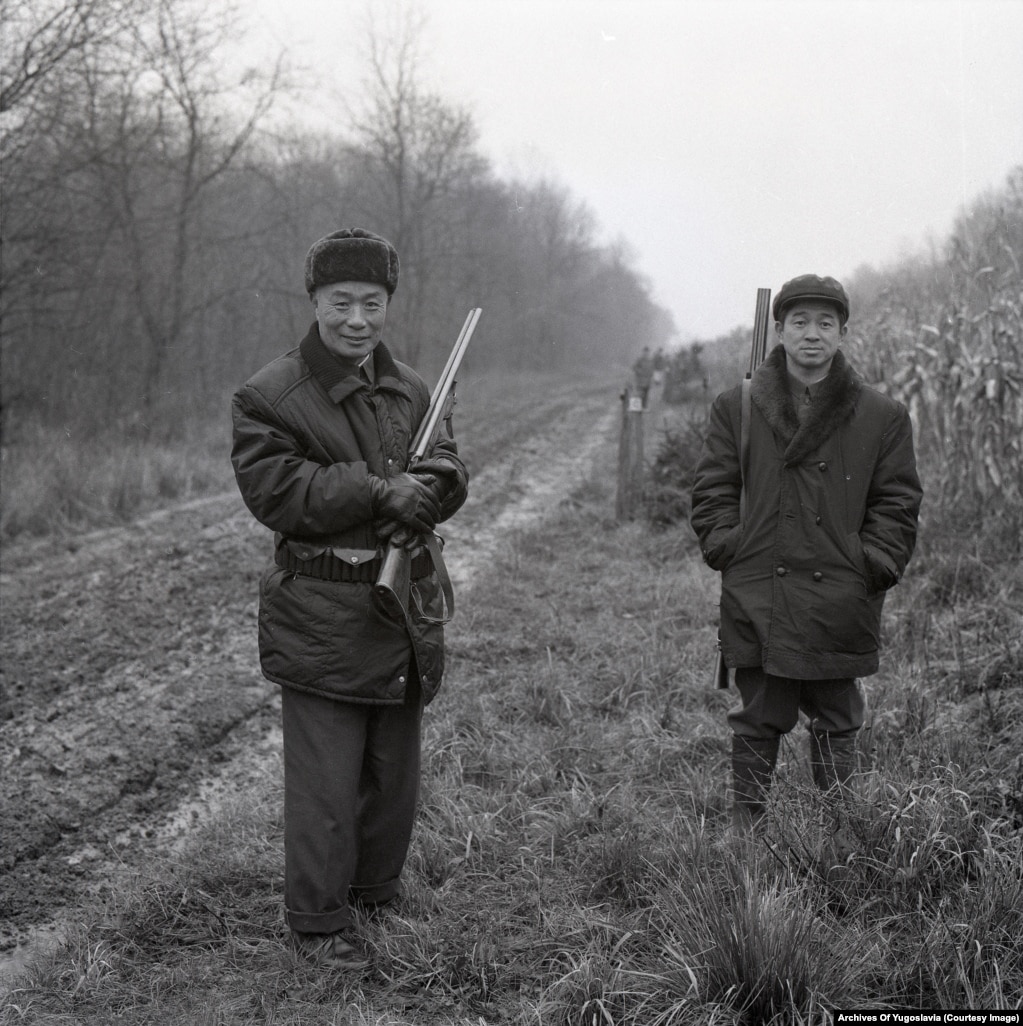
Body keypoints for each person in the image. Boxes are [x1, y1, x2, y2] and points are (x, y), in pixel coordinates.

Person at [231, 228, 469, 965]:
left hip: (399, 609)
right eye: (341, 302)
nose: (356, 319)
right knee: (325, 785)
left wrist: (437, 487)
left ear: (388, 304)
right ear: (316, 302)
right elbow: (277, 491)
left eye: (371, 302)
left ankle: (375, 894)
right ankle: (318, 923)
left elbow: (448, 461)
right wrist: (377, 491)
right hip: (323, 612)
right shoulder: (269, 394)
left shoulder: (415, 386)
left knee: (391, 771)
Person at [690, 274, 922, 830]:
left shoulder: (881, 415)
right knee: (756, 715)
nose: (812, 334)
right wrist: (729, 545)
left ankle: (842, 837)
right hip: (760, 585)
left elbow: (898, 501)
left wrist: (873, 563)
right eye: (800, 322)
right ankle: (747, 837)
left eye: (825, 323)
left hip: (840, 590)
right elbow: (713, 490)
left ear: (842, 333)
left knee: (838, 719)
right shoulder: (738, 407)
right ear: (779, 329)